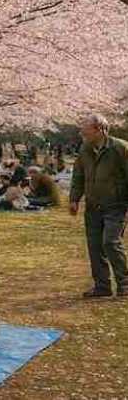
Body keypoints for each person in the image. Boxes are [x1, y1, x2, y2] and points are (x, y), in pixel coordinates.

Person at [69, 114, 128, 298]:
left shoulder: (120, 148)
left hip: (116, 205)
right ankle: (102, 286)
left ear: (99, 129)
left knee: (110, 242)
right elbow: (78, 175)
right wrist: (74, 198)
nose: (82, 132)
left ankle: (125, 284)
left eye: (86, 129)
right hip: (93, 206)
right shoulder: (84, 149)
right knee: (95, 247)